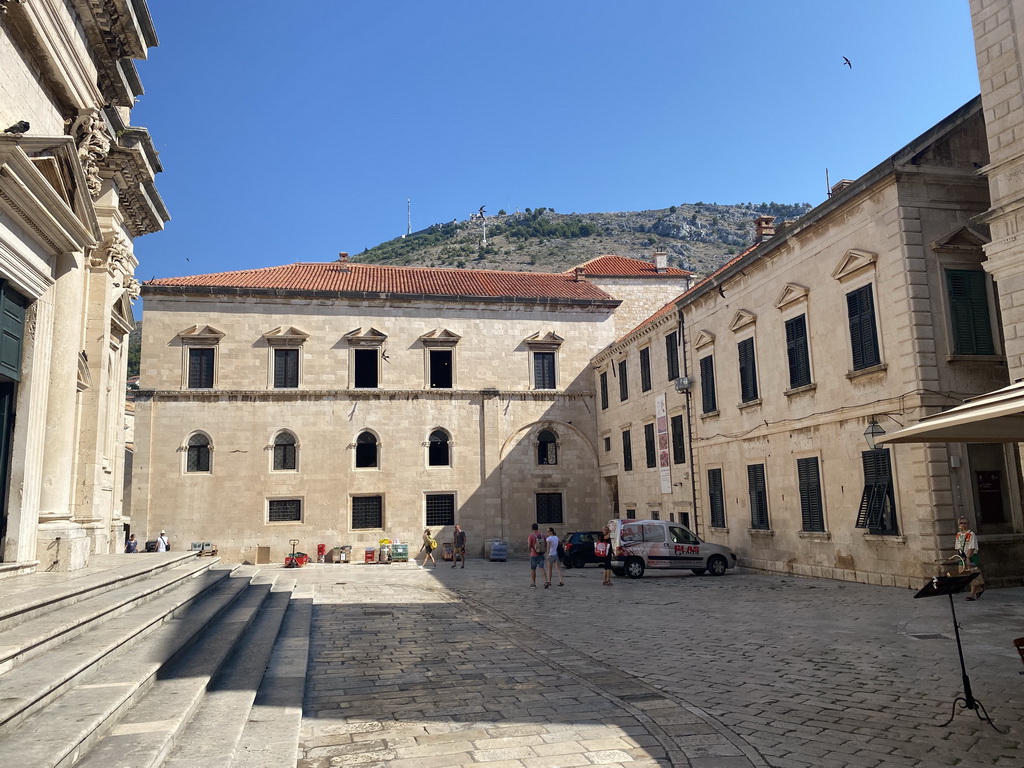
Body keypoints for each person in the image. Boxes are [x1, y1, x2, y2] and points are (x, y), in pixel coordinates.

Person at [955, 517, 985, 600]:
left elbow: (972, 547)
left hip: (971, 556)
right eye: (961, 523)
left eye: (965, 523)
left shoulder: (971, 534)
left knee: (972, 574)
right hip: (963, 556)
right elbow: (958, 547)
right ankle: (979, 588)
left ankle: (972, 594)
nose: (963, 525)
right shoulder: (958, 535)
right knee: (962, 573)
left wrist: (968, 558)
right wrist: (962, 557)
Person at [528, 523, 546, 588]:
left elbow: (529, 545)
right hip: (541, 554)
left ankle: (533, 583)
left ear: (532, 528)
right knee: (542, 568)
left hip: (534, 554)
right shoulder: (542, 535)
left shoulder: (531, 536)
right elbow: (545, 544)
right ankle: (545, 581)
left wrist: (530, 552)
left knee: (533, 569)